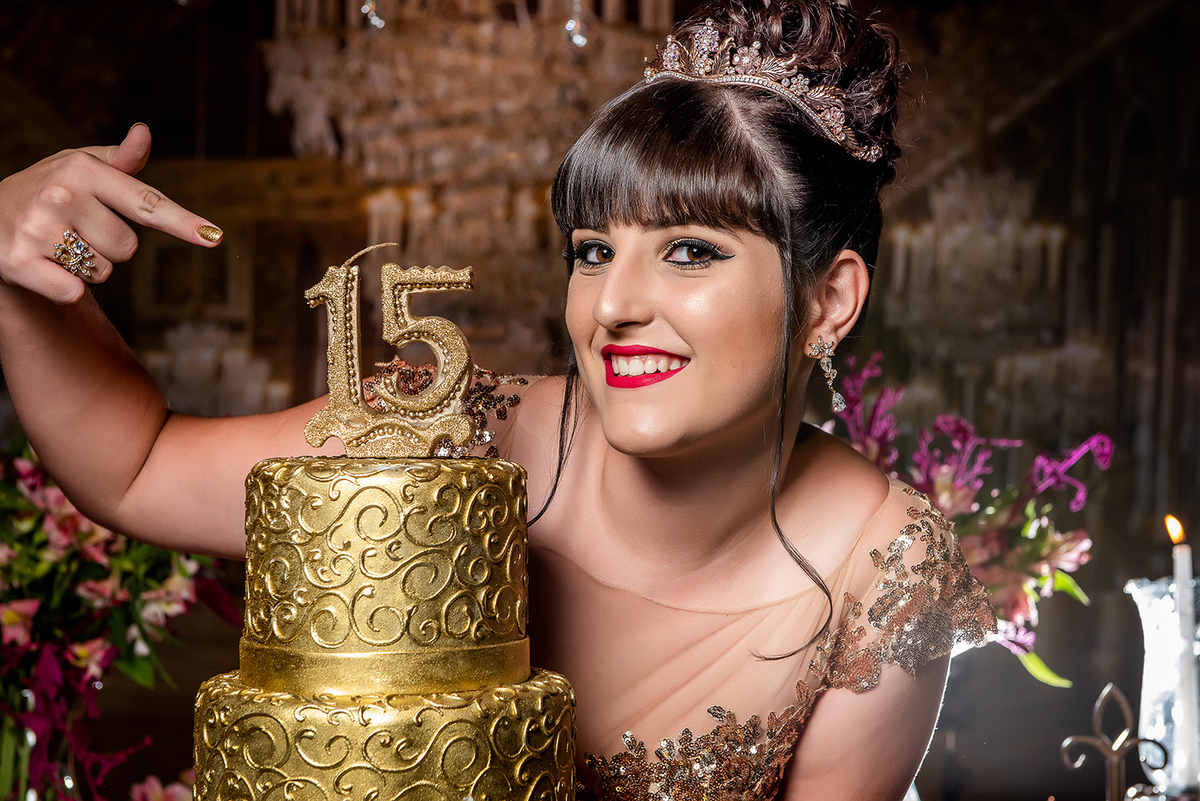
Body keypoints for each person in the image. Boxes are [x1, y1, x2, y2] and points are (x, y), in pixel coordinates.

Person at [0, 0, 994, 797]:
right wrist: (18, 262)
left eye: (691, 251)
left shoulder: (887, 570)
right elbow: (135, 467)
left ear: (830, 300)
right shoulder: (463, 429)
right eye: (594, 252)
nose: (614, 305)